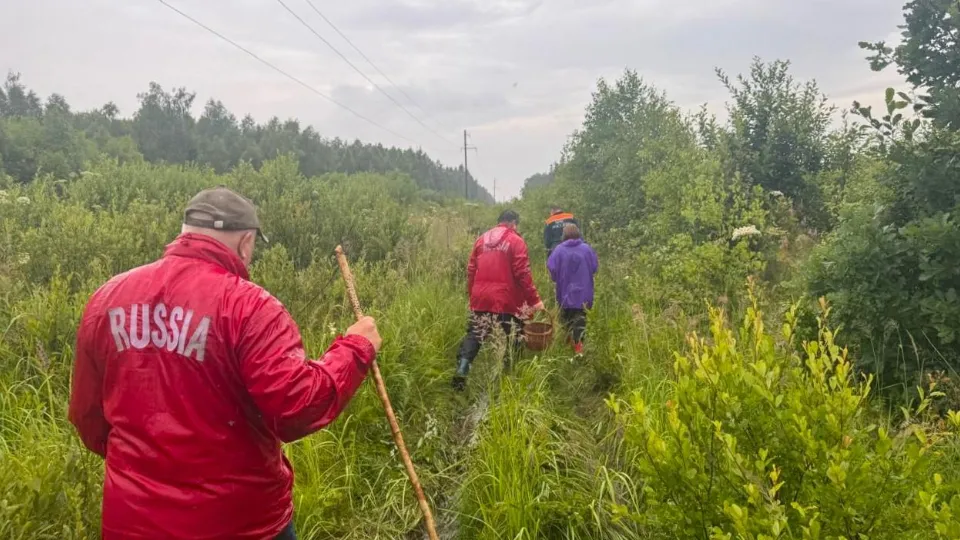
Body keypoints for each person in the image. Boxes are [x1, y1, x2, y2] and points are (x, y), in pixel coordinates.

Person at [68, 186, 382, 540]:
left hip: (132, 523)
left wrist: (146, 470)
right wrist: (356, 347)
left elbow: (88, 417)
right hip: (242, 525)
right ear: (246, 242)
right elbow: (297, 408)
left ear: (185, 232)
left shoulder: (107, 298)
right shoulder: (250, 307)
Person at [453, 210, 544, 390]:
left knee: (475, 335)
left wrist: (473, 296)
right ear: (513, 223)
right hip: (507, 299)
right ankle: (509, 378)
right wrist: (535, 300)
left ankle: (462, 369)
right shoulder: (516, 241)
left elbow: (471, 271)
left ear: (498, 222)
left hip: (481, 297)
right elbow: (522, 274)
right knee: (516, 336)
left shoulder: (481, 240)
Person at [547, 223, 598, 355]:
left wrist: (557, 277)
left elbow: (552, 269)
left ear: (563, 235)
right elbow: (594, 268)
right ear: (578, 234)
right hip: (583, 295)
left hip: (564, 294)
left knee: (566, 323)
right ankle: (579, 351)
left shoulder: (558, 250)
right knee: (580, 322)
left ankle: (568, 350)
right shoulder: (586, 249)